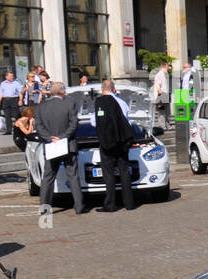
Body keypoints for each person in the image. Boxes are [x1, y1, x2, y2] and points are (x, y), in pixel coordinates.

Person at [34, 81, 87, 214]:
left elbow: (38, 126)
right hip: (68, 145)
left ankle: (45, 208)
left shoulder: (41, 106)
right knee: (73, 176)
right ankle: (79, 206)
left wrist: (50, 138)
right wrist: (63, 137)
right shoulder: (69, 104)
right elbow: (74, 124)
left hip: (51, 145)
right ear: (63, 92)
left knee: (48, 177)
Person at [93, 80, 136, 212]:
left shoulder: (99, 103)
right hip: (122, 142)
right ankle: (129, 203)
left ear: (102, 89)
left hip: (107, 143)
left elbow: (94, 122)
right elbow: (127, 120)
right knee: (124, 172)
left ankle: (110, 204)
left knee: (108, 174)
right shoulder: (122, 102)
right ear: (114, 89)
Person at [152, 60, 170, 125]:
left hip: (164, 95)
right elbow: (157, 85)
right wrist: (161, 95)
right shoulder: (159, 74)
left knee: (165, 111)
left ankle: (166, 124)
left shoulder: (163, 74)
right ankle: (162, 125)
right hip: (161, 95)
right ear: (164, 66)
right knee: (161, 111)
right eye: (168, 66)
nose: (169, 68)